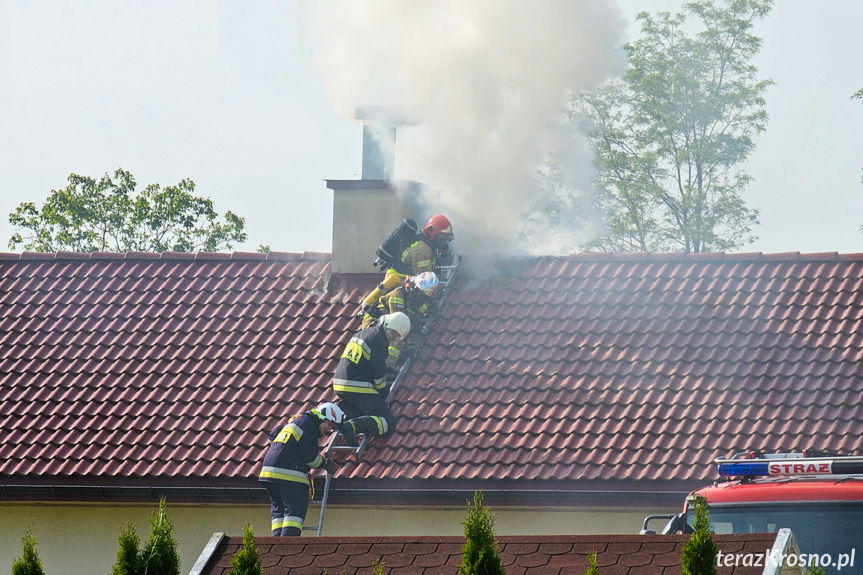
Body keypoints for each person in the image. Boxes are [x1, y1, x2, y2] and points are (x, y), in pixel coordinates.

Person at [258, 402, 344, 536]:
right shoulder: (308, 427)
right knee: (295, 509)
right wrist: (325, 463)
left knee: (279, 510)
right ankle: (289, 543)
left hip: (268, 472)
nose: (328, 429)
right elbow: (310, 458)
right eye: (329, 424)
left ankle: (276, 543)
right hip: (288, 474)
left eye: (332, 427)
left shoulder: (298, 421)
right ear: (321, 418)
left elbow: (273, 434)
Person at [333, 311, 411, 445]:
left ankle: (346, 423)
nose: (394, 339)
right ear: (387, 325)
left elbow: (365, 362)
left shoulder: (363, 333)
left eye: (398, 337)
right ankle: (351, 427)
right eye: (394, 334)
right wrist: (384, 393)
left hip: (340, 384)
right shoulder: (379, 341)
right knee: (387, 422)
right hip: (356, 385)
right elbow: (378, 374)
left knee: (360, 410)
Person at [359, 214, 454, 313]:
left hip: (405, 280)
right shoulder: (424, 250)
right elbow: (424, 282)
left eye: (447, 239)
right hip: (399, 281)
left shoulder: (430, 247)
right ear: (432, 234)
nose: (445, 243)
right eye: (443, 239)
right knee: (416, 306)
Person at [361, 271, 441, 368]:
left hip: (387, 325)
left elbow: (414, 315)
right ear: (418, 291)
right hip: (373, 324)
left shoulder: (413, 299)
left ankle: (395, 357)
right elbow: (397, 324)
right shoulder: (398, 295)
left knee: (416, 341)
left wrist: (429, 307)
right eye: (426, 296)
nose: (426, 298)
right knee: (397, 338)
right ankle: (386, 368)